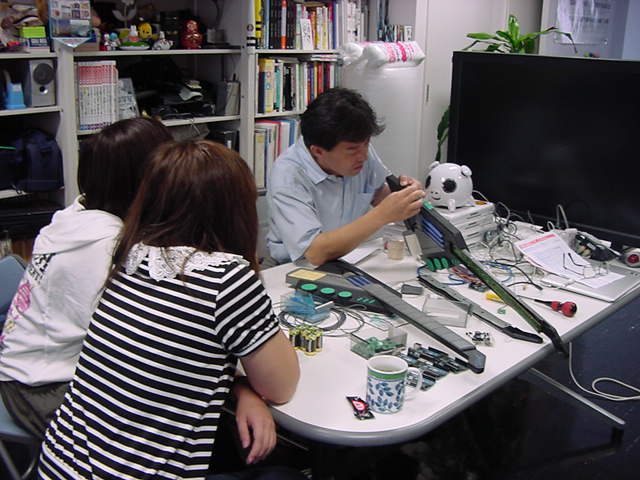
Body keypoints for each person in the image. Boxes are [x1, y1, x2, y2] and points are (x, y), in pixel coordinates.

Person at [37, 140, 302, 480]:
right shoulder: (226, 278)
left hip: (59, 462)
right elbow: (282, 387)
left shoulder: (128, 256)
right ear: (237, 209)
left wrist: (242, 388)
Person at [0, 117, 172, 439]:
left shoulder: (76, 215)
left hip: (28, 367)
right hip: (41, 386)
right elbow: (133, 344)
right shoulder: (107, 246)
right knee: (170, 417)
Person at [266, 87, 425, 266]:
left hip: (351, 256)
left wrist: (406, 196)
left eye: (366, 143)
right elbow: (314, 252)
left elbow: (378, 193)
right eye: (352, 149)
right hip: (295, 267)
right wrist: (382, 214)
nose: (364, 156)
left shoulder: (357, 149)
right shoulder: (288, 176)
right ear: (318, 151)